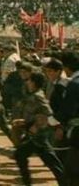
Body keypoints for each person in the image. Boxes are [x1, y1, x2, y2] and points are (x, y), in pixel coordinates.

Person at [13, 71, 65, 185]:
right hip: (32, 135)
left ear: (34, 82)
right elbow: (33, 114)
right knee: (20, 155)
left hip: (39, 135)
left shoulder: (38, 96)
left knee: (52, 163)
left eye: (30, 80)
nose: (27, 83)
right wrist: (25, 122)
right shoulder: (32, 95)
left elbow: (48, 112)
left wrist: (36, 126)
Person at [58, 51, 79, 185]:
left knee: (71, 172)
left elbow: (67, 110)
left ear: (66, 67)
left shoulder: (74, 84)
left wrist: (54, 123)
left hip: (77, 132)